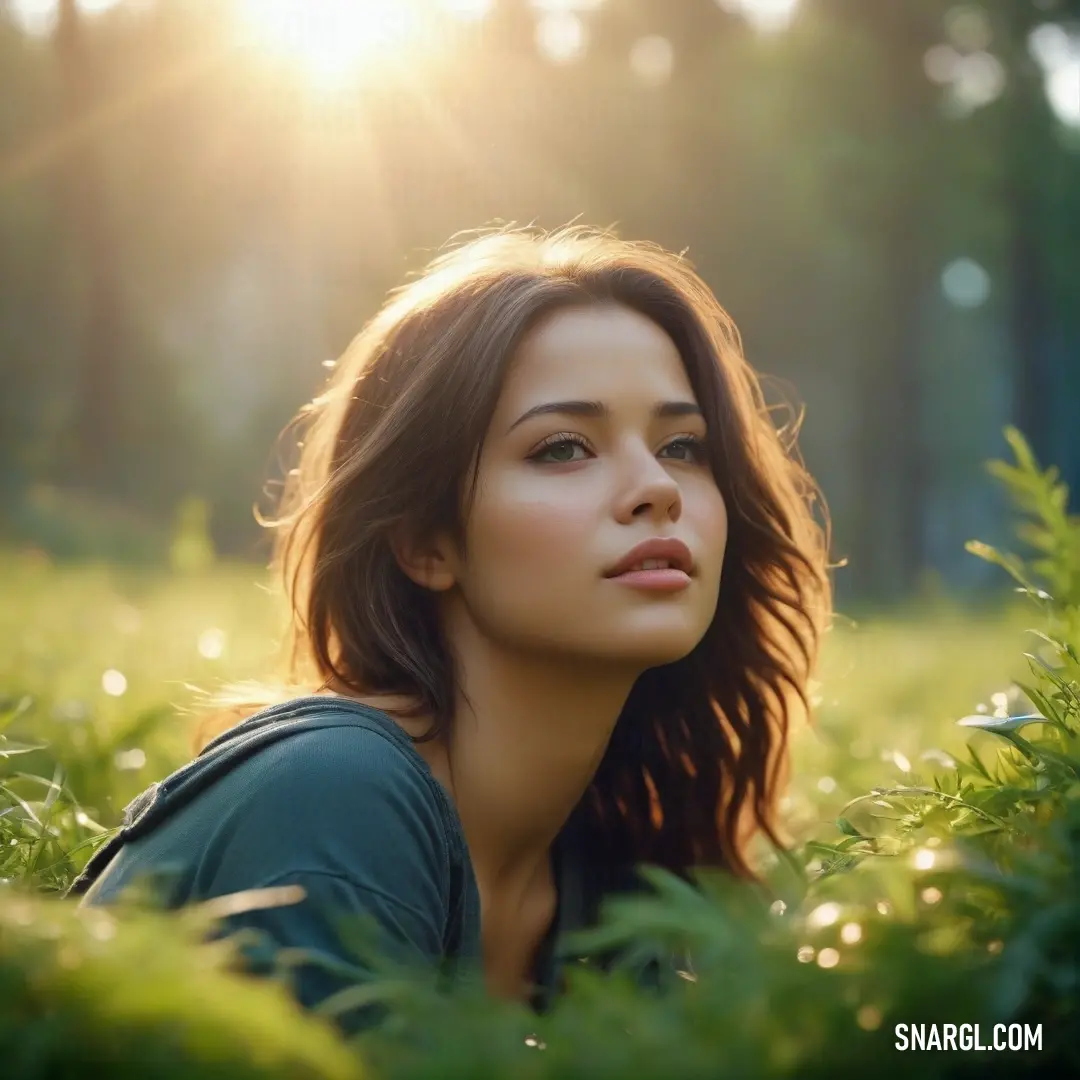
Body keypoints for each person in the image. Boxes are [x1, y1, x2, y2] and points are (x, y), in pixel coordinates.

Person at [66, 225, 831, 1035]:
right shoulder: (334, 794)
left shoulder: (621, 880)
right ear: (424, 541)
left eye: (683, 446)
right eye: (565, 447)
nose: (656, 489)